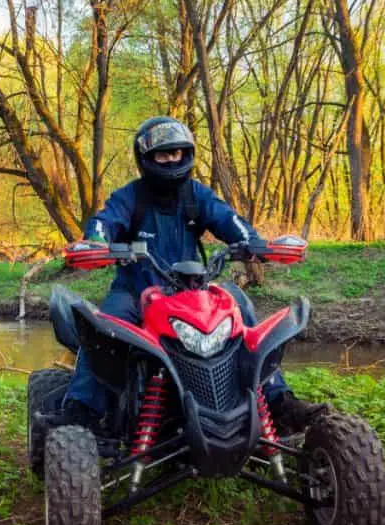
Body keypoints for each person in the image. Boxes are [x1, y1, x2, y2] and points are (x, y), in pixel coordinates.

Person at [59, 116, 326, 433]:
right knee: (102, 330)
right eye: (163, 154)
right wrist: (97, 244)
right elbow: (105, 222)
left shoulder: (196, 195)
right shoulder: (131, 196)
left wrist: (255, 245)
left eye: (177, 153)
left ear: (186, 154)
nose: (171, 160)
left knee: (241, 311)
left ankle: (279, 403)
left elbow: (228, 220)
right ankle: (82, 411)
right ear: (146, 158)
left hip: (189, 293)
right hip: (135, 291)